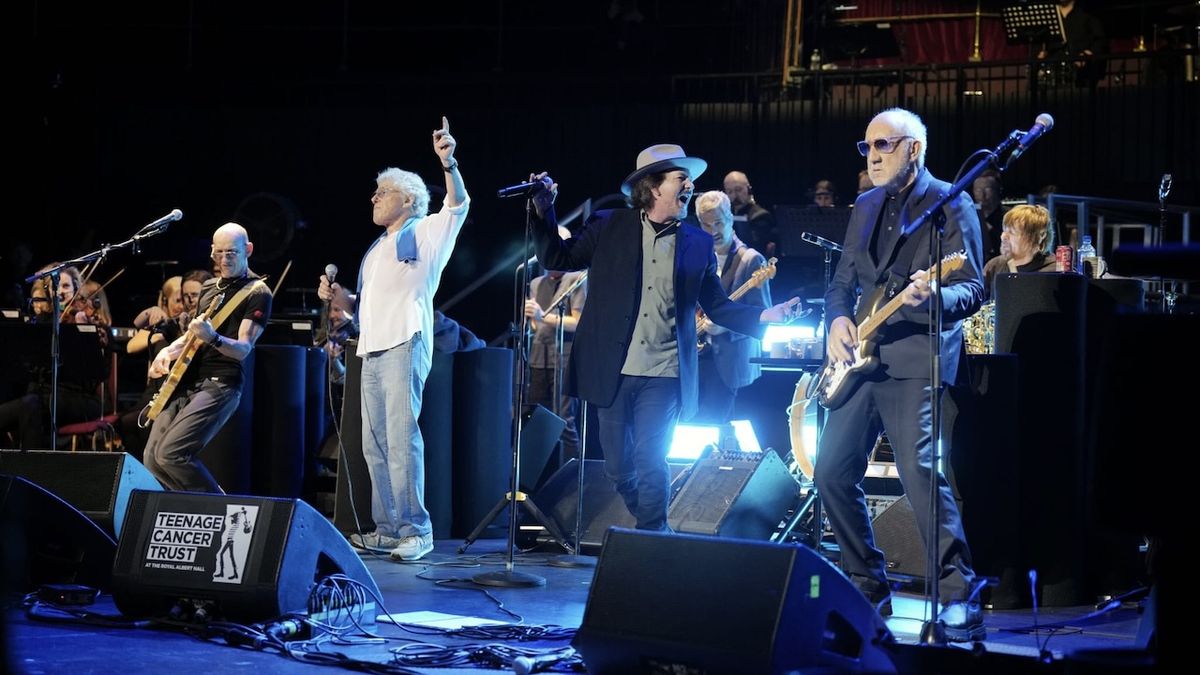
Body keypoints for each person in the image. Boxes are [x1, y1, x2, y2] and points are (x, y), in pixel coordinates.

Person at [529, 144, 801, 532]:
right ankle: (655, 524)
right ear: (654, 187)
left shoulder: (698, 244)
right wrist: (544, 211)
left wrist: (765, 314)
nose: (690, 186)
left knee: (652, 457)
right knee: (618, 466)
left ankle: (652, 537)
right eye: (681, 178)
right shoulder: (609, 225)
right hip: (615, 371)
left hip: (666, 370)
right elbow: (558, 259)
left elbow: (718, 306)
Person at [818, 108, 986, 641]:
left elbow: (974, 287)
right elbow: (842, 280)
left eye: (884, 144)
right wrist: (837, 320)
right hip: (861, 358)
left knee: (917, 474)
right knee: (829, 471)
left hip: (916, 358)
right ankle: (867, 585)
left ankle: (958, 594)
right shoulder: (865, 203)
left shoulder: (950, 202)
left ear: (914, 148)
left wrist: (935, 292)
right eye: (866, 145)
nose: (872, 154)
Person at [317, 117, 466, 562]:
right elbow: (373, 300)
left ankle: (416, 530)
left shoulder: (424, 230)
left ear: (408, 200)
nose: (374, 198)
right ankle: (388, 528)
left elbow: (457, 206)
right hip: (372, 348)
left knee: (401, 439)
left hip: (405, 341)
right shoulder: (378, 248)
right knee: (374, 443)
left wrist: (449, 163)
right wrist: (337, 296)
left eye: (382, 192)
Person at [142, 223, 272, 493]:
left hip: (222, 381)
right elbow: (193, 335)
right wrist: (168, 351)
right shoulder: (209, 287)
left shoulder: (258, 292)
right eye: (219, 253)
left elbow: (243, 349)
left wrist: (213, 337)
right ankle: (184, 510)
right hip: (188, 378)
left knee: (171, 454)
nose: (224, 260)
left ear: (248, 250)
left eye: (232, 253)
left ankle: (217, 508)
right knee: (152, 458)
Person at [0, 264, 103, 448]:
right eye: (57, 287)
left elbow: (96, 371)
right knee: (28, 403)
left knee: (30, 405)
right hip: (43, 395)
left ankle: (34, 468)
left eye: (66, 286)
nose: (61, 292)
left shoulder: (85, 320)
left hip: (79, 398)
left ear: (76, 288)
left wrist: (84, 334)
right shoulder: (43, 324)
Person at [693, 190, 770, 423]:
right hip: (694, 358)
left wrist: (725, 326)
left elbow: (762, 315)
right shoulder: (695, 256)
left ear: (729, 218)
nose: (714, 230)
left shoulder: (751, 259)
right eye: (707, 225)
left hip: (728, 360)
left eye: (718, 222)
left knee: (716, 426)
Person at [524, 225, 586, 461]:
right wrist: (531, 319)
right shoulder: (537, 283)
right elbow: (535, 325)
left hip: (565, 358)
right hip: (539, 357)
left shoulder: (576, 279)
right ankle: (537, 478)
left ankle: (570, 476)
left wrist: (543, 317)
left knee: (563, 421)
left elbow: (579, 323)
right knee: (538, 419)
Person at [982, 204, 1058, 299]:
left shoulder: (1056, 271)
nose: (1003, 237)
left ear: (1039, 237)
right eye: (1004, 230)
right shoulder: (994, 266)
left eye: (1012, 232)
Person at [722, 170, 777, 257]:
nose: (734, 195)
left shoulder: (761, 216)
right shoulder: (725, 214)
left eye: (738, 190)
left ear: (748, 189)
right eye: (729, 192)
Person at [972, 170, 1006, 260]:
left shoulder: (1009, 216)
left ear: (998, 190)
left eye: (987, 189)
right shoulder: (970, 216)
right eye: (978, 190)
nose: (982, 195)